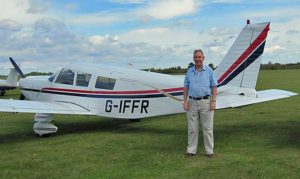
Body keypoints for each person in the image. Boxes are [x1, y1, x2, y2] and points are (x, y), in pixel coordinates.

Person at [183, 49, 218, 158]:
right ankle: (191, 150)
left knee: (207, 128)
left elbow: (214, 87)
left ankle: (209, 151)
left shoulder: (209, 71)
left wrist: (213, 101)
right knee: (192, 128)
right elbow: (185, 87)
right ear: (193, 58)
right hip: (192, 102)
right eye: (196, 57)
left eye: (199, 57)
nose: (198, 59)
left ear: (203, 58)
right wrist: (185, 101)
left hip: (206, 102)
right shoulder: (189, 71)